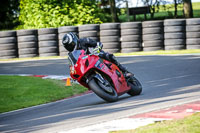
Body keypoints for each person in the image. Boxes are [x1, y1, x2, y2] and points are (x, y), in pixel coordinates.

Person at [62, 32, 132, 77]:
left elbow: (96, 43)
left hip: (95, 56)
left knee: (107, 56)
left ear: (75, 40)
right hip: (86, 65)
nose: (71, 47)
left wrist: (97, 47)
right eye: (68, 46)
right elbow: (72, 65)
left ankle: (124, 71)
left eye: (71, 44)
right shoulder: (71, 55)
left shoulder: (84, 41)